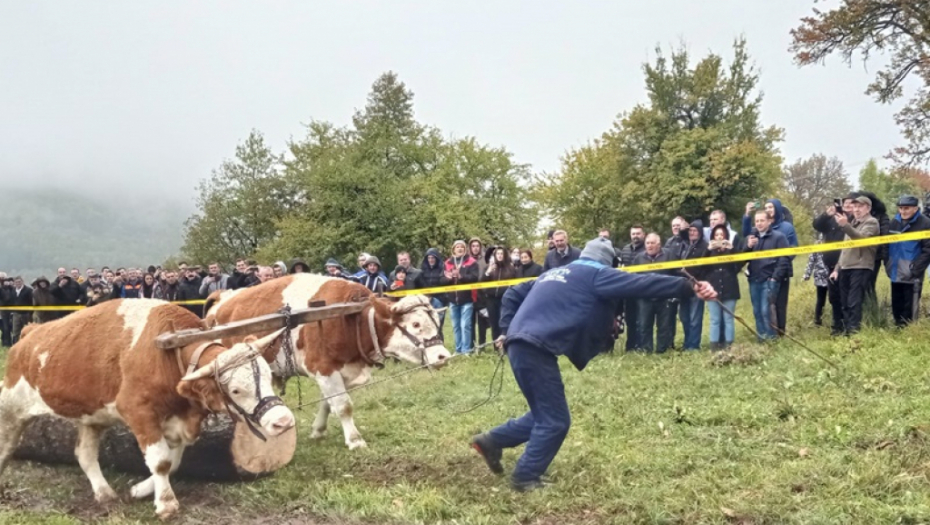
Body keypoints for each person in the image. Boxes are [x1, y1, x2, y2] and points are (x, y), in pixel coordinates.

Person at [469, 237, 717, 492]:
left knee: (545, 412)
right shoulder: (598, 274)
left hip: (520, 345)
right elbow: (642, 283)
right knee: (555, 421)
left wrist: (506, 329)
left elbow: (513, 292)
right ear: (607, 262)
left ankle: (491, 440)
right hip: (535, 349)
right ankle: (525, 477)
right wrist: (689, 287)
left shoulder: (553, 273)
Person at [831, 195, 880, 335]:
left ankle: (854, 331)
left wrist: (845, 226)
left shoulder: (872, 222)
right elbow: (845, 249)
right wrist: (836, 269)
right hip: (846, 266)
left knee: (854, 301)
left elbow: (861, 240)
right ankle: (847, 329)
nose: (857, 209)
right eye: (854, 206)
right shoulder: (852, 223)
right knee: (845, 301)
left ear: (868, 208)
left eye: (860, 206)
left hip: (861, 266)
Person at [745, 211, 790, 340]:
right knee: (757, 311)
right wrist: (748, 246)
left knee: (767, 311)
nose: (759, 223)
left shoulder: (778, 237)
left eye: (762, 220)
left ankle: (771, 339)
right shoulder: (752, 238)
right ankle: (761, 338)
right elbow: (743, 255)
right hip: (754, 279)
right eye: (757, 221)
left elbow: (784, 258)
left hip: (769, 279)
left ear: (769, 221)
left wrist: (775, 277)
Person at [813, 196, 855, 335]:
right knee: (834, 297)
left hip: (848, 264)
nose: (848, 205)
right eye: (845, 203)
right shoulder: (831, 219)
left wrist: (846, 222)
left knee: (847, 297)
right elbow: (816, 225)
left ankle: (849, 326)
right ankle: (837, 325)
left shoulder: (854, 220)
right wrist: (826, 215)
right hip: (830, 263)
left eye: (851, 203)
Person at [886, 195, 930, 326]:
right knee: (896, 300)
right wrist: (887, 263)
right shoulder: (894, 222)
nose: (903, 211)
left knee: (910, 304)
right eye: (900, 208)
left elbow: (928, 249)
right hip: (894, 269)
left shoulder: (925, 223)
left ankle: (908, 328)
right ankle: (897, 324)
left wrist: (916, 268)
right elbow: (885, 244)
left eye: (906, 208)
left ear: (915, 208)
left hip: (912, 271)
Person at [632, 233, 680, 353]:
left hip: (664, 297)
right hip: (645, 298)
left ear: (659, 244)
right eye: (647, 243)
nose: (649, 246)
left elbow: (677, 274)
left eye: (652, 243)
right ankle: (646, 350)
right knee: (644, 325)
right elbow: (633, 277)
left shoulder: (669, 255)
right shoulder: (638, 258)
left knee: (664, 326)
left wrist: (674, 292)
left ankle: (662, 350)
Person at [704, 224, 744, 349]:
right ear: (713, 237)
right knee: (715, 320)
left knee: (728, 319)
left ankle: (729, 345)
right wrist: (708, 250)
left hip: (729, 288)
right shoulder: (709, 252)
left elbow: (739, 265)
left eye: (722, 234)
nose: (719, 237)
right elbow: (701, 268)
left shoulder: (731, 250)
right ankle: (714, 347)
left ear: (726, 236)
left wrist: (732, 249)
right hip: (713, 289)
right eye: (717, 235)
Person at [442, 240, 479, 354]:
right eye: (457, 247)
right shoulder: (447, 263)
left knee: (465, 325)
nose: (459, 249)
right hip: (453, 300)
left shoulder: (472, 262)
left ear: (465, 249)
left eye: (462, 247)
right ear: (453, 249)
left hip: (467, 299)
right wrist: (448, 279)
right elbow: (441, 280)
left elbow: (474, 278)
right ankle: (458, 350)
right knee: (456, 326)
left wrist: (461, 276)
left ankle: (466, 350)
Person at [481, 246, 518, 340]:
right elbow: (481, 282)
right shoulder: (489, 267)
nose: (500, 256)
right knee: (494, 323)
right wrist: (488, 272)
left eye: (502, 254)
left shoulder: (511, 268)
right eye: (498, 254)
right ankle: (496, 346)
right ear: (495, 255)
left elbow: (515, 283)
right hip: (491, 299)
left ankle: (504, 344)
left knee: (503, 322)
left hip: (504, 298)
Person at [803, 250, 830, 327]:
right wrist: (807, 274)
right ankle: (818, 321)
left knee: (833, 299)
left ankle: (838, 319)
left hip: (831, 274)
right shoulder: (817, 244)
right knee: (821, 300)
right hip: (820, 276)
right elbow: (811, 260)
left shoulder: (833, 240)